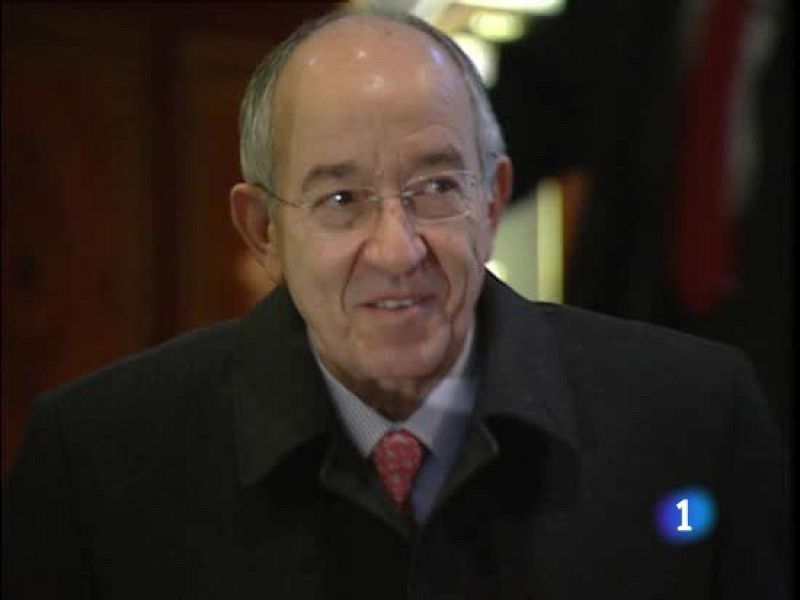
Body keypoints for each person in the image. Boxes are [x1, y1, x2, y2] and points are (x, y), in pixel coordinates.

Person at [2, 7, 788, 599]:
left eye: (437, 187)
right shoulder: (94, 462)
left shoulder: (698, 421)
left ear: (492, 201)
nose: (396, 249)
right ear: (263, 230)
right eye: (341, 199)